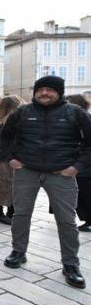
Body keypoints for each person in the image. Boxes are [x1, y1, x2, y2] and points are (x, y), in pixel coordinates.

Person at [0, 76, 91, 289]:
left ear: (60, 92)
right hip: (27, 171)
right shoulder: (22, 112)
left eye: (50, 90)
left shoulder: (76, 113)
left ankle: (70, 264)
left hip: (61, 174)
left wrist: (75, 167)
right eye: (41, 90)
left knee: (66, 220)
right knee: (21, 215)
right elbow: (4, 137)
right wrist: (11, 159)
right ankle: (18, 252)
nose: (44, 93)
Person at [0, 95, 25, 225]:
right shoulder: (8, 120)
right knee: (5, 184)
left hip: (6, 156)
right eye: (19, 106)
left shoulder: (3, 118)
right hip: (4, 157)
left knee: (11, 184)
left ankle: (11, 211)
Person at [66, 94, 91, 232]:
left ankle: (89, 220)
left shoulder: (85, 119)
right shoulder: (73, 119)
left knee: (84, 193)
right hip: (77, 164)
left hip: (84, 165)